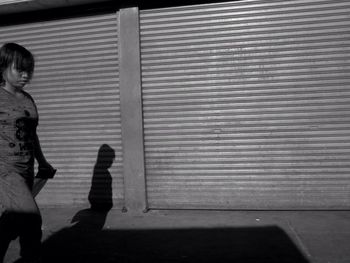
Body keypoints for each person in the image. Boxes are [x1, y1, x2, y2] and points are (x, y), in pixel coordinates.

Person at [0, 43, 55, 263]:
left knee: (10, 222)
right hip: (4, 169)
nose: (25, 75)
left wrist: (42, 161)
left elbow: (32, 135)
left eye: (28, 70)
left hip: (26, 167)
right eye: (20, 69)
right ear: (3, 66)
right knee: (31, 220)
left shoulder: (28, 99)